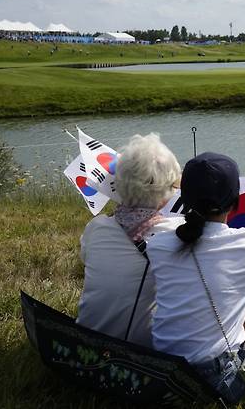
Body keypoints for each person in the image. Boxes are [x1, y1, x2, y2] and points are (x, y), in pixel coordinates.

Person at [147, 152, 245, 403]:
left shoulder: (157, 245)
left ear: (185, 199)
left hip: (164, 373)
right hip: (218, 382)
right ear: (235, 202)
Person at [77, 134, 182, 347]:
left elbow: (85, 261)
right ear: (167, 190)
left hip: (87, 343)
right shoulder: (176, 233)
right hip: (140, 352)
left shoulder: (96, 228)